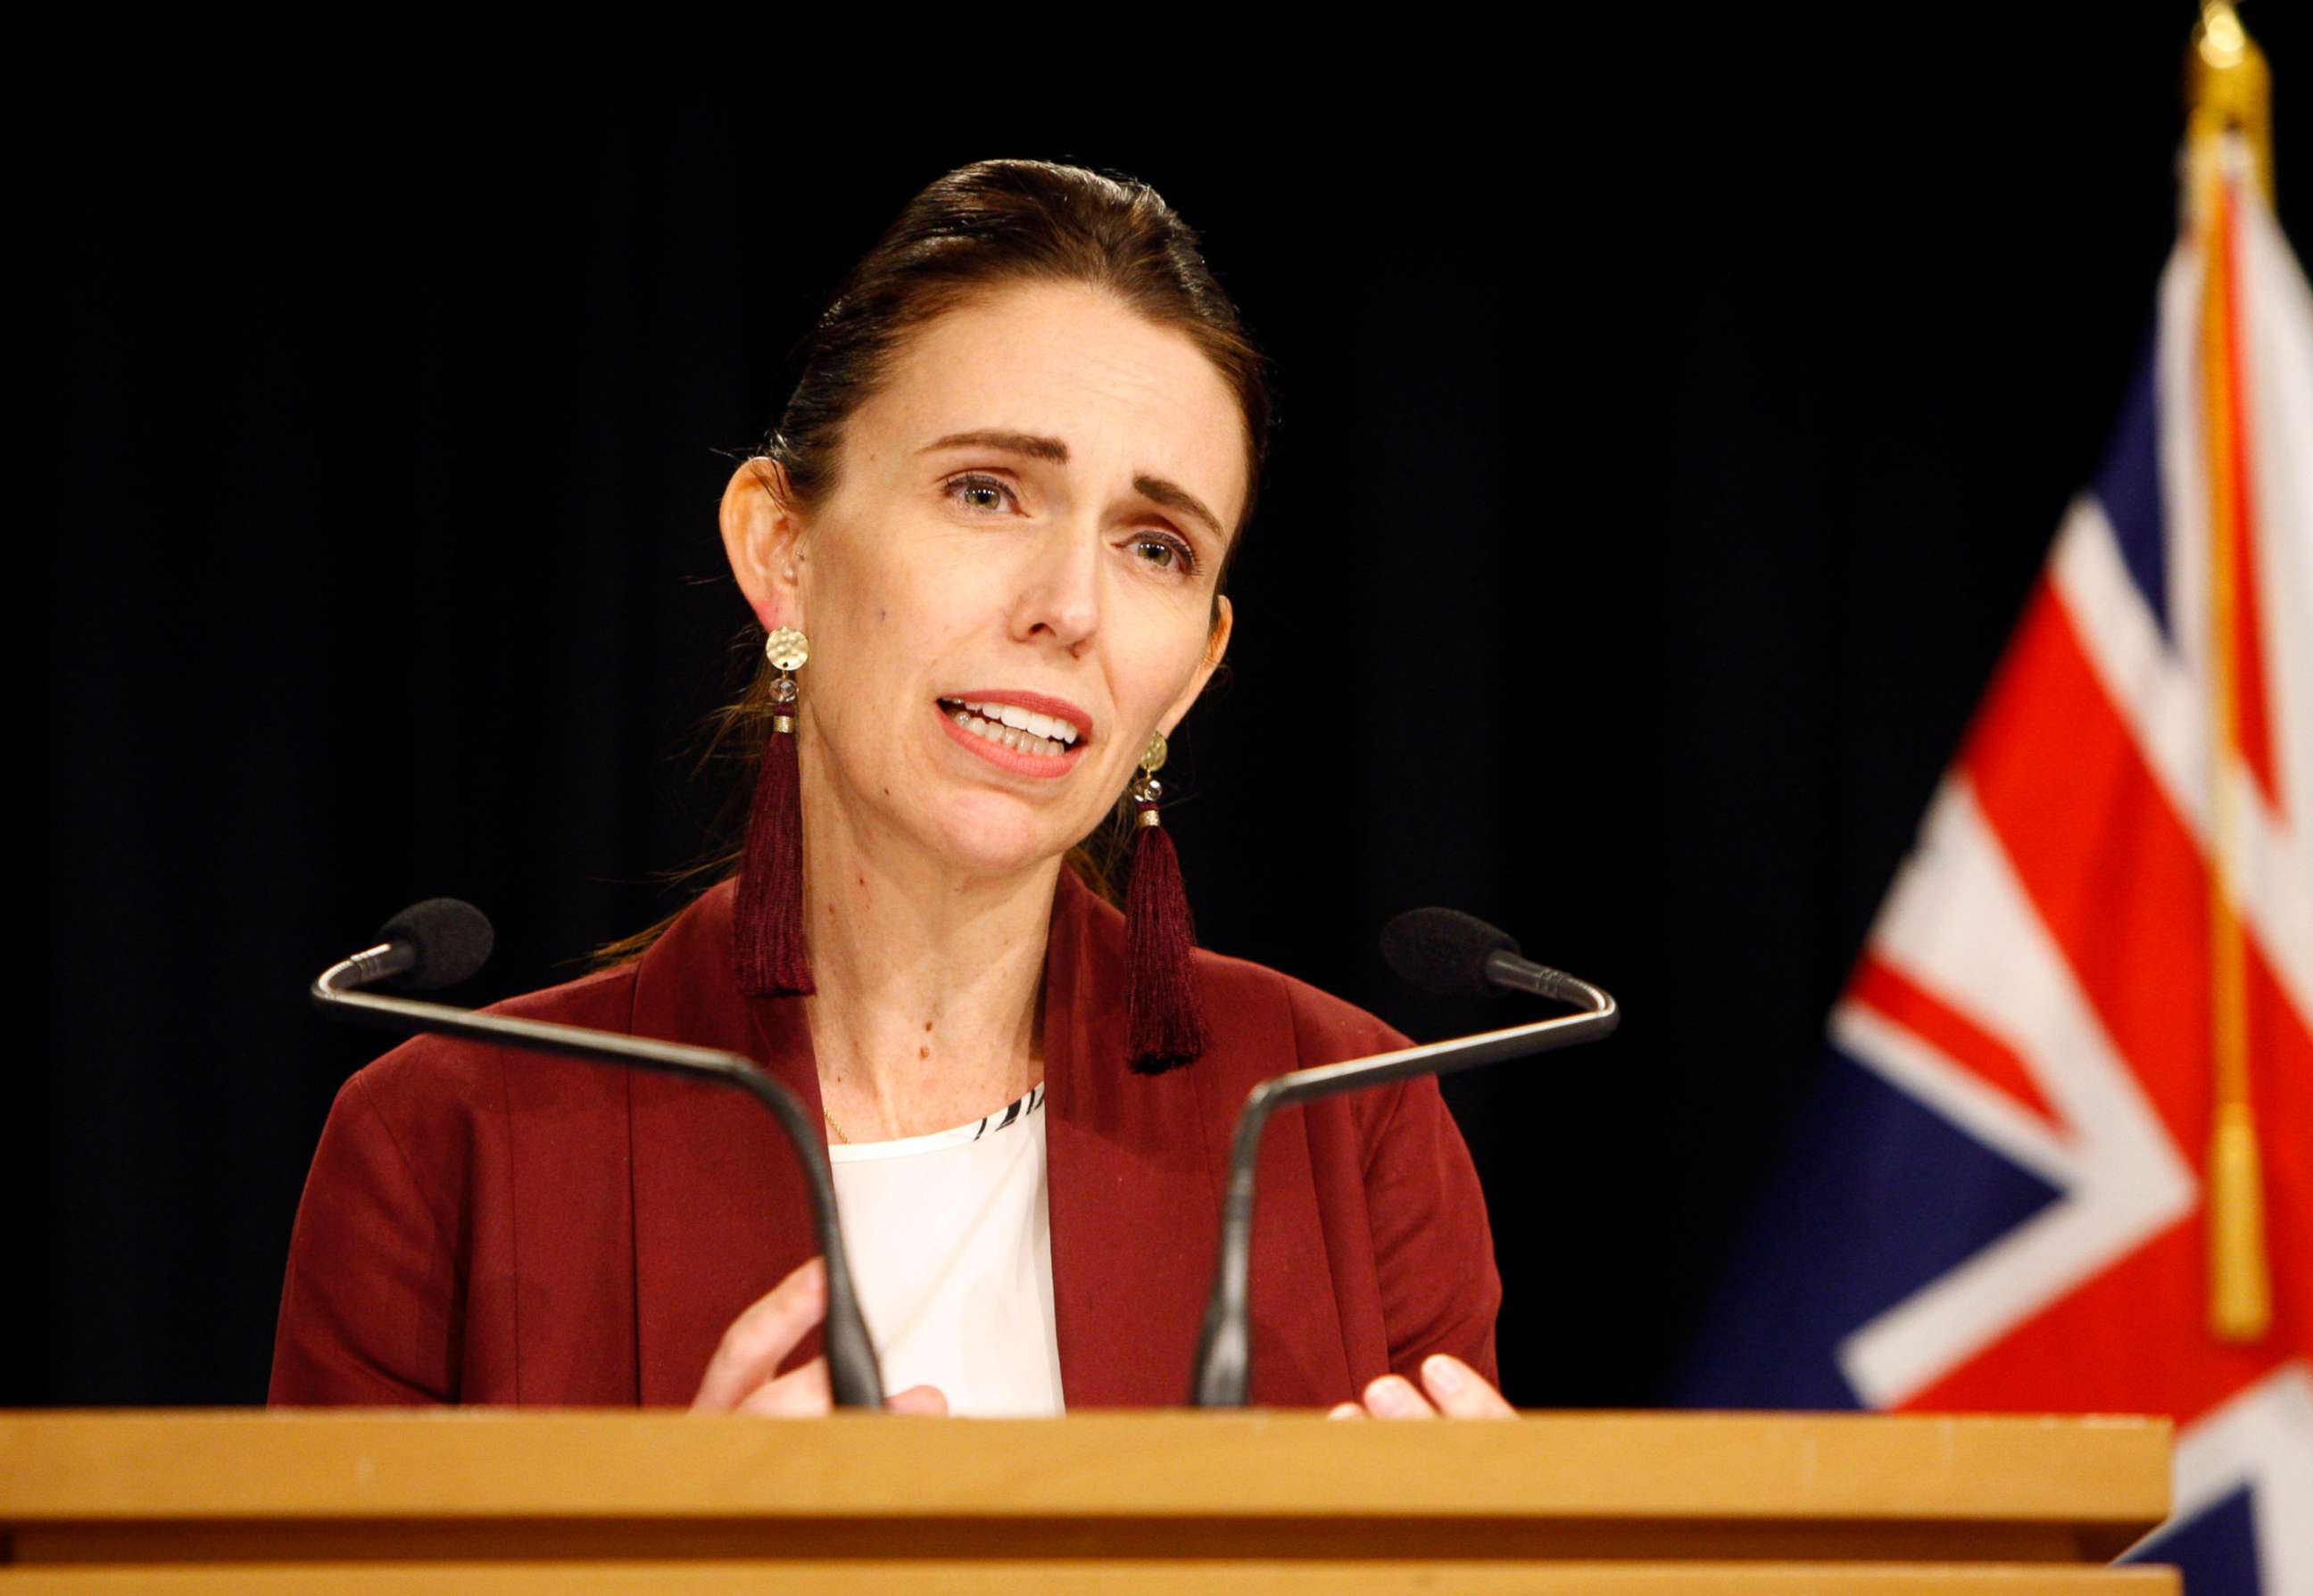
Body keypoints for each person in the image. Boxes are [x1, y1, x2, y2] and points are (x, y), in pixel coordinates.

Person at [269, 159, 1510, 1421]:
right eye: (986, 491)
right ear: (781, 547)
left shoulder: (1348, 1129)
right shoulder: (444, 1147)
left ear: (1192, 671)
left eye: (1155, 545)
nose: (1070, 609)